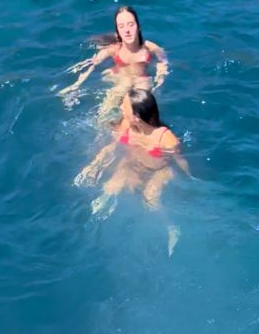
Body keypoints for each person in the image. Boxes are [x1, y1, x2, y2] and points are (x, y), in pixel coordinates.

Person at [75, 88, 188, 254]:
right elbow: (111, 146)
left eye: (124, 106)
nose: (120, 107)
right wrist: (95, 164)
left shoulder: (166, 138)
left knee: (150, 200)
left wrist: (189, 178)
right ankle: (98, 215)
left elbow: (181, 161)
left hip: (160, 170)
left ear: (136, 117)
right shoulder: (126, 125)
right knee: (112, 185)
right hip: (133, 164)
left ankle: (171, 227)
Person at [58, 6, 169, 119]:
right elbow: (92, 64)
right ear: (118, 32)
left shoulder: (150, 48)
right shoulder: (114, 49)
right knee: (105, 112)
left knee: (142, 107)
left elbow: (163, 61)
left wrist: (159, 80)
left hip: (142, 79)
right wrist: (75, 86)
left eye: (131, 24)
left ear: (139, 27)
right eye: (121, 27)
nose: (127, 30)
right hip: (122, 79)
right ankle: (102, 130)